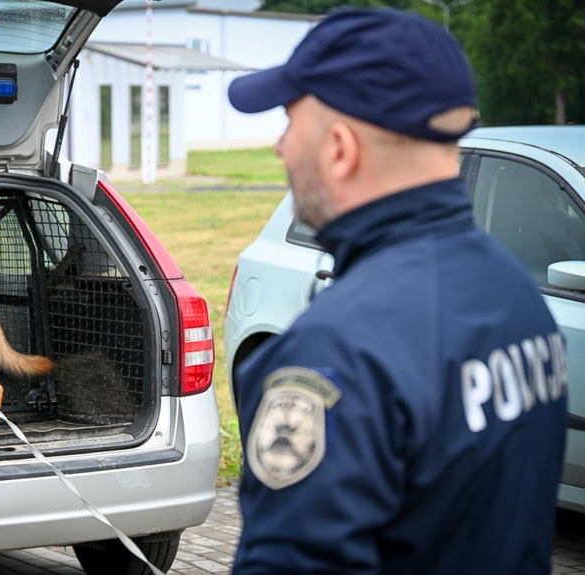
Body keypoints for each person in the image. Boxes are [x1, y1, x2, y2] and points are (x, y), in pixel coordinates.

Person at [227, 8, 568, 574]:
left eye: (290, 122)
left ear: (340, 148)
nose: (280, 148)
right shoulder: (516, 292)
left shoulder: (337, 353)